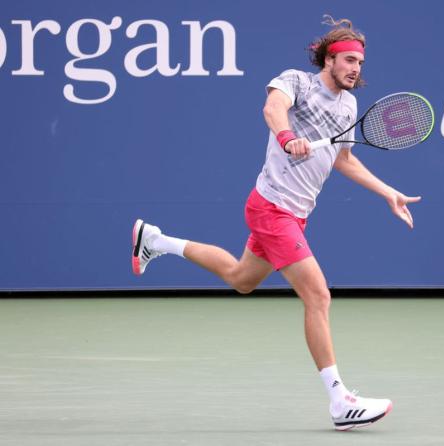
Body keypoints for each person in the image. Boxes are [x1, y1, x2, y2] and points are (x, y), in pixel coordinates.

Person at [131, 15, 420, 431]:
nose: (356, 68)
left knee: (241, 277)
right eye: (349, 60)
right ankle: (340, 401)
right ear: (329, 60)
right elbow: (273, 108)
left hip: (296, 214)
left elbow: (344, 159)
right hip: (272, 208)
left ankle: (156, 241)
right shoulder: (297, 83)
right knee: (318, 297)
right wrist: (287, 137)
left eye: (360, 62)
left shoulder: (350, 105)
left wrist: (387, 191)